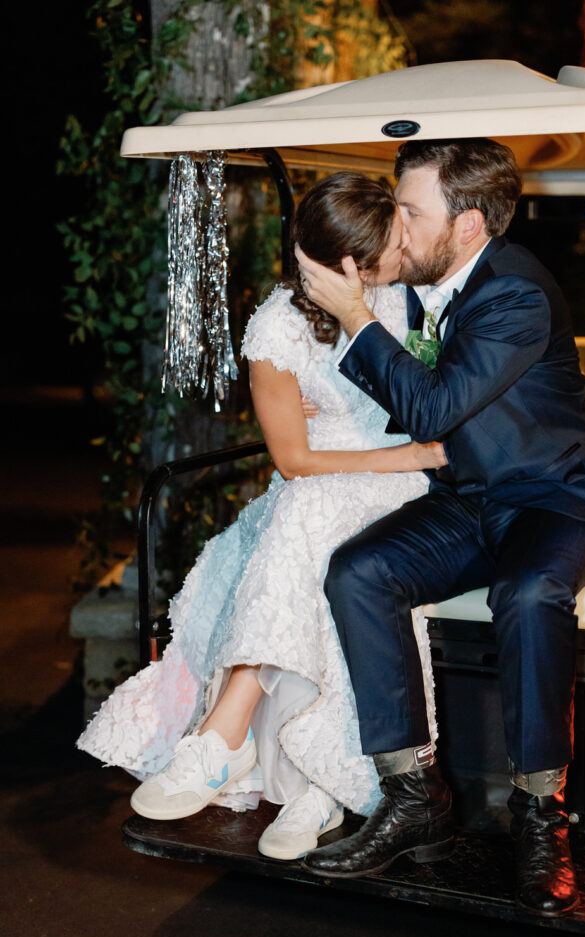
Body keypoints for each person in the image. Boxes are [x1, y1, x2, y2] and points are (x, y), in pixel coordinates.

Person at [296, 139, 585, 917]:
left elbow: (433, 408)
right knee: (359, 571)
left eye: (410, 212)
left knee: (527, 591)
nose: (397, 226)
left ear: (468, 225)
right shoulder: (417, 280)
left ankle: (539, 816)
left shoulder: (515, 294)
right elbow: (396, 390)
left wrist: (353, 318)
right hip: (471, 498)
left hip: (554, 496)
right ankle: (411, 792)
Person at [77, 171, 447, 862]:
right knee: (308, 522)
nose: (405, 252)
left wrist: (408, 454)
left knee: (301, 528)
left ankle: (227, 736)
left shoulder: (412, 297)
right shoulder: (277, 326)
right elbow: (295, 463)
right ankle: (318, 777)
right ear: (346, 266)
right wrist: (402, 456)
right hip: (336, 480)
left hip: (397, 490)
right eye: (391, 246)